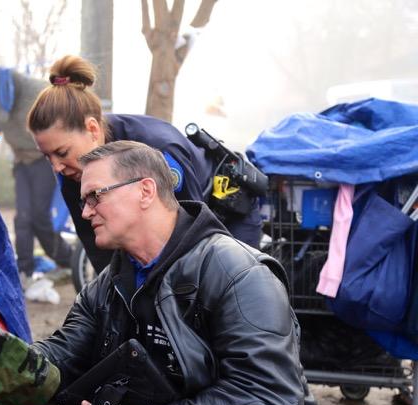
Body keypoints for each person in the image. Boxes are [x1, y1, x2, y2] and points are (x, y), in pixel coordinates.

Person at [31, 140, 319, 405]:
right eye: (84, 200)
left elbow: (268, 397)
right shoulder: (107, 285)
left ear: (145, 191)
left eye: (95, 195)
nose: (85, 212)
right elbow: (64, 357)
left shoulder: (239, 273)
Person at [26, 55, 263, 275]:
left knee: (219, 284)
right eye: (47, 157)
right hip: (167, 234)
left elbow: (194, 234)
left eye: (61, 152)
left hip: (225, 211)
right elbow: (99, 252)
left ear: (92, 129)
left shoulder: (159, 149)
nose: (56, 167)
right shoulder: (71, 172)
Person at [0, 68, 72, 284]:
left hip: (44, 161)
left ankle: (67, 259)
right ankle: (24, 270)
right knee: (23, 218)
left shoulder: (37, 91)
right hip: (21, 162)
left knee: (39, 216)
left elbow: (63, 117)